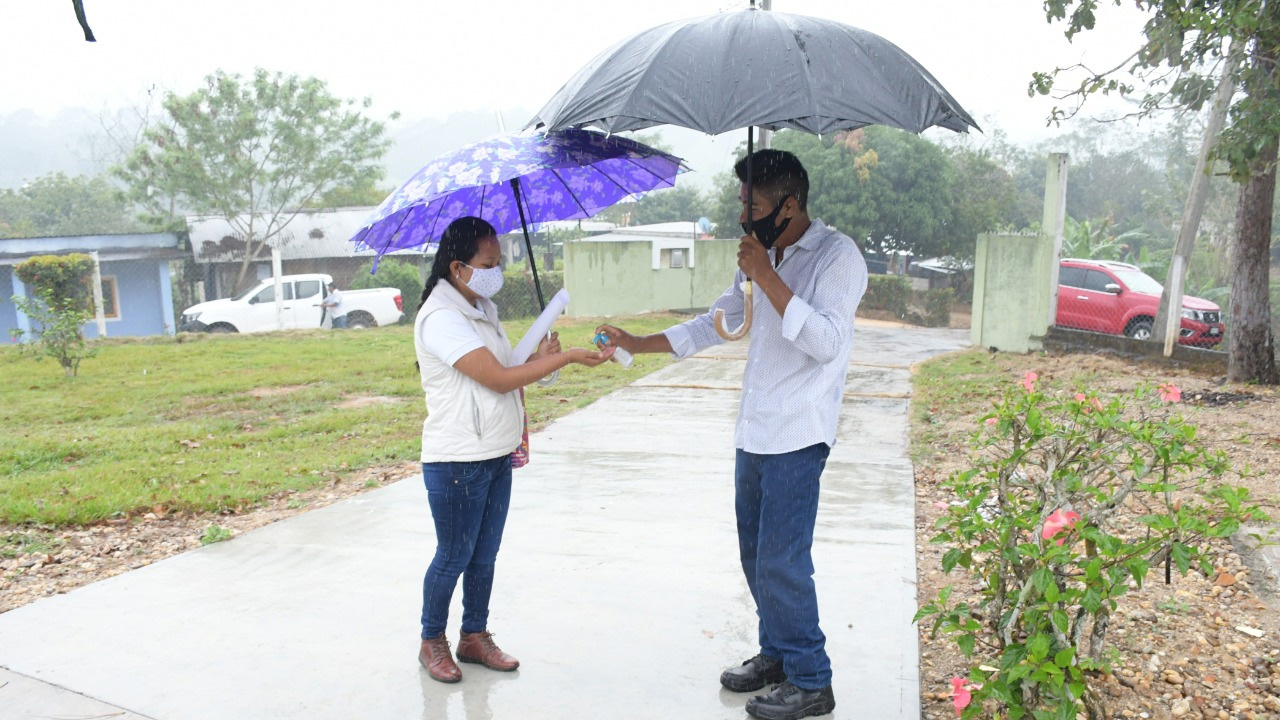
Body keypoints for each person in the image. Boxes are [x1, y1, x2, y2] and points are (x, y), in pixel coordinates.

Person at [594, 149, 867, 720]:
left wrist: (768, 277)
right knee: (754, 555)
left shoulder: (837, 258)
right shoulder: (756, 255)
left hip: (800, 430)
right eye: (742, 204)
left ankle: (812, 679)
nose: (745, 216)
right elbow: (722, 322)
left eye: (756, 205)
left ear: (790, 205)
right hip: (755, 428)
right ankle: (777, 655)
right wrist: (638, 343)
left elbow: (826, 342)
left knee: (782, 562)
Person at [414, 216, 615, 684]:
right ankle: (432, 640)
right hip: (458, 458)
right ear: (458, 266)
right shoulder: (442, 318)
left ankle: (474, 635)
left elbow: (506, 367)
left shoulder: (482, 307)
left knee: (485, 554)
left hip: (494, 451)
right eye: (488, 263)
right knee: (453, 556)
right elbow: (499, 379)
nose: (496, 271)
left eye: (499, 262)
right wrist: (563, 359)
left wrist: (541, 356)